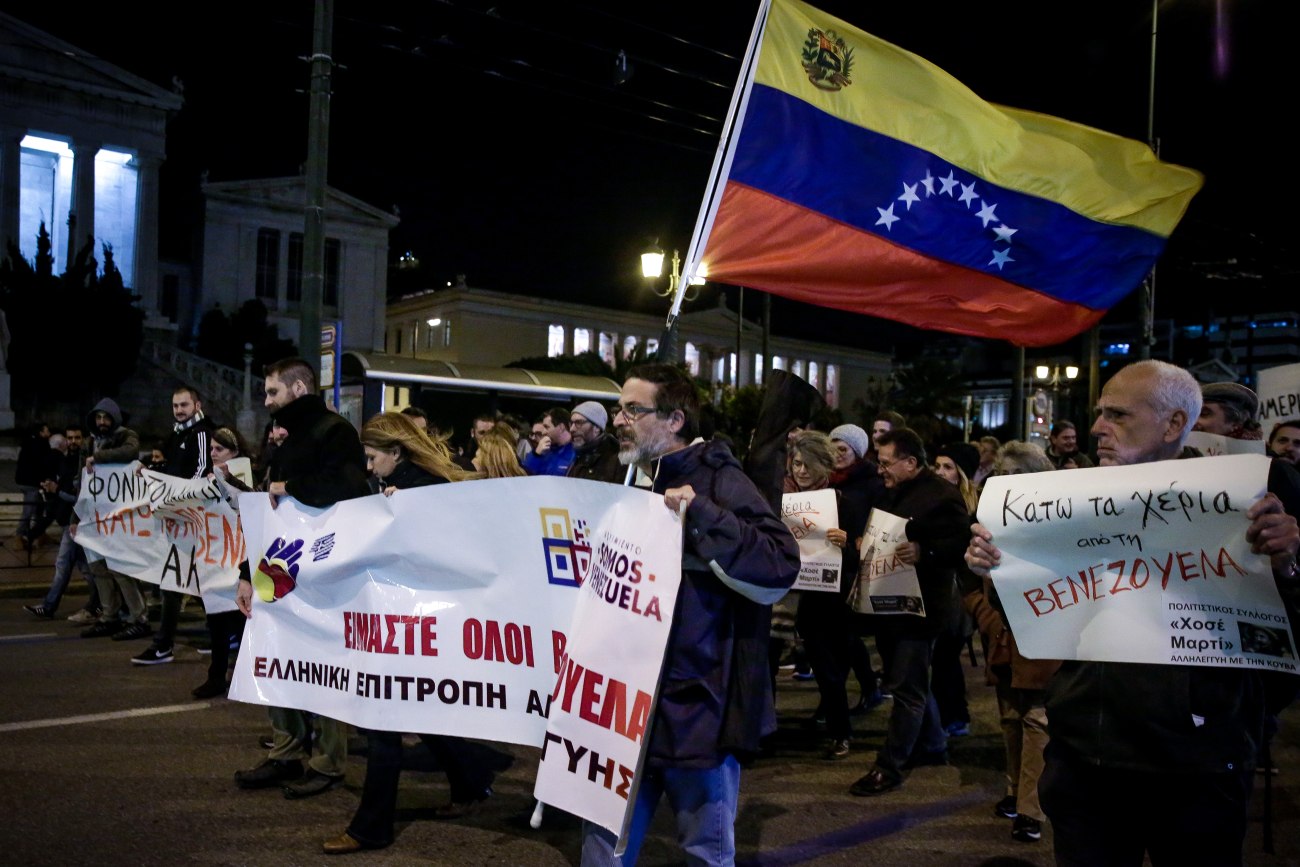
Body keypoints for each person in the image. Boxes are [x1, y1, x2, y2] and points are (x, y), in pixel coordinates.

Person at [965, 360, 1300, 867]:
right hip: (1084, 760)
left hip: (1195, 768)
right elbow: (1030, 618)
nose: (1099, 428)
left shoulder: (1239, 503)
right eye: (1100, 414)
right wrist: (995, 575)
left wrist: (1287, 564)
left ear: (1172, 425)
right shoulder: (1061, 502)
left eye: (1118, 415)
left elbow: (1280, 636)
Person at [580, 363, 800, 866]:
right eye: (619, 408)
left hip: (698, 701)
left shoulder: (719, 478)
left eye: (633, 410)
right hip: (619, 701)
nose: (620, 420)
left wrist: (702, 513)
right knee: (602, 845)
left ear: (675, 419)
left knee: (704, 848)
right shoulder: (620, 473)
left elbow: (778, 562)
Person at [323, 412, 493, 854]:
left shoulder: (423, 490)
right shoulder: (401, 486)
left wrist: (406, 512)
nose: (368, 465)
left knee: (385, 723)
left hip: (415, 623)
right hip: (403, 620)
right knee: (414, 710)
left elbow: (437, 550)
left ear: (396, 453)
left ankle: (370, 828)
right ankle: (471, 777)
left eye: (373, 456)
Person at [234, 357, 371, 800]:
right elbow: (267, 513)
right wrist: (245, 574)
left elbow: (349, 490)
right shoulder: (282, 437)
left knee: (323, 666)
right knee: (279, 656)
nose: (267, 401)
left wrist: (291, 487)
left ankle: (328, 762)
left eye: (273, 392)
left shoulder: (336, 431)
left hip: (324, 571)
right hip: (279, 568)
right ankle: (287, 749)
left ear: (297, 388)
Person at [848, 428, 971, 798]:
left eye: (886, 463)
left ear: (910, 463)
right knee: (910, 682)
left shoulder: (942, 497)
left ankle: (891, 766)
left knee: (906, 689)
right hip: (890, 603)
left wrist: (925, 552)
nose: (880, 469)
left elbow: (959, 546)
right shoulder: (896, 490)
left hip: (919, 610)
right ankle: (933, 745)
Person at [959, 440, 1059, 845]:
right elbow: (967, 578)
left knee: (1037, 720)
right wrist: (984, 615)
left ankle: (1031, 808)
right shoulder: (986, 521)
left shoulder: (1057, 524)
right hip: (1002, 634)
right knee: (1010, 717)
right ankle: (1014, 790)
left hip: (1042, 633)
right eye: (1004, 476)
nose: (1009, 484)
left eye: (1018, 477)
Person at [785, 430, 865, 760]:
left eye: (809, 465)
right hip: (799, 596)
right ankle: (836, 728)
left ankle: (840, 733)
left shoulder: (844, 504)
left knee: (833, 669)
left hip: (835, 598)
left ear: (825, 467)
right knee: (822, 668)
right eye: (797, 464)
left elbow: (866, 554)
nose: (801, 471)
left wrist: (847, 544)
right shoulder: (783, 502)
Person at [133, 385, 215, 666]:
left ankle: (164, 645)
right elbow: (171, 470)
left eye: (184, 405)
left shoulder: (201, 432)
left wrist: (176, 495)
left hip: (193, 518)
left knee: (176, 581)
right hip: (182, 517)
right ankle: (224, 634)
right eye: (175, 406)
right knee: (195, 582)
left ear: (197, 404)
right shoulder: (179, 433)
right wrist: (150, 472)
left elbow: (201, 471)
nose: (179, 410)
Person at [80, 399, 152, 641]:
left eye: (106, 417)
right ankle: (109, 616)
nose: (102, 422)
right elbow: (84, 485)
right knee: (98, 567)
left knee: (122, 567)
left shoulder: (125, 435)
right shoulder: (90, 441)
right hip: (96, 517)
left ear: (114, 418)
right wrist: (75, 518)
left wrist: (98, 457)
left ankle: (138, 618)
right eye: (98, 418)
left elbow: (130, 452)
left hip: (121, 518)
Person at [190, 427, 253, 699]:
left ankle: (243, 677)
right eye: (212, 448)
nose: (213, 453)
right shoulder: (205, 480)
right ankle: (216, 676)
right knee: (216, 624)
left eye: (220, 449)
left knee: (240, 624)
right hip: (215, 560)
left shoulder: (244, 478)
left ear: (235, 453)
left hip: (239, 560)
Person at [929, 442, 981, 739]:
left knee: (946, 656)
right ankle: (950, 715)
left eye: (948, 467)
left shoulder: (972, 507)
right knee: (941, 658)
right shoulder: (932, 499)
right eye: (937, 466)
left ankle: (955, 716)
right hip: (939, 587)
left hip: (959, 593)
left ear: (962, 473)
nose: (940, 472)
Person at [22, 425, 97, 620]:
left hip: (77, 524)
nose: (73, 441)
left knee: (63, 565)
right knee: (87, 569)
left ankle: (49, 607)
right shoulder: (65, 461)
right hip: (68, 522)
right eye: (70, 438)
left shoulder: (85, 464)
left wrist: (57, 491)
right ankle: (102, 604)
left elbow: (81, 497)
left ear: (83, 439)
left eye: (77, 438)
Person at [566, 400, 623, 483]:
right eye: (572, 423)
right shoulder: (578, 455)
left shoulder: (617, 461)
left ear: (596, 427)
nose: (572, 429)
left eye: (579, 423)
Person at [1193, 381, 1264, 440]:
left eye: (1204, 413)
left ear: (1236, 423)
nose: (1193, 422)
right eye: (1193, 415)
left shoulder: (1267, 456)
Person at [522, 407, 575, 476]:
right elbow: (524, 475)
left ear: (561, 427)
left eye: (547, 427)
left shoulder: (577, 454)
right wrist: (536, 455)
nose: (543, 432)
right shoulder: (543, 451)